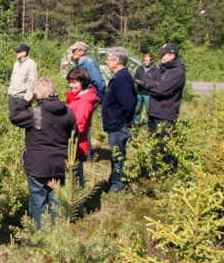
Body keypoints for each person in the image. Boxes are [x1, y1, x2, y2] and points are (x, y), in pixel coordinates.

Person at [11, 78, 79, 227]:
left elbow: (14, 117)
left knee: (38, 203)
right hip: (61, 164)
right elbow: (74, 138)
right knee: (57, 202)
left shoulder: (36, 113)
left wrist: (26, 100)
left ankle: (39, 237)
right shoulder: (68, 111)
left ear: (37, 94)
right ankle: (57, 236)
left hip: (38, 165)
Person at [137, 43, 186, 174]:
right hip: (153, 112)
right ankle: (157, 170)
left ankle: (168, 173)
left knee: (165, 145)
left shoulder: (178, 72)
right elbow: (148, 81)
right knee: (154, 144)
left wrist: (152, 85)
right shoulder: (162, 69)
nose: (161, 57)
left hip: (166, 115)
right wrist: (153, 84)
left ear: (172, 56)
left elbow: (161, 90)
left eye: (163, 54)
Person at [101, 47, 137, 193]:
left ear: (117, 61)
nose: (107, 61)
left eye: (108, 58)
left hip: (118, 125)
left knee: (118, 156)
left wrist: (123, 121)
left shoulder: (122, 79)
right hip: (114, 123)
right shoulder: (119, 77)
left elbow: (129, 104)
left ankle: (118, 185)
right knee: (115, 154)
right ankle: (115, 180)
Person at [65, 67, 99, 187]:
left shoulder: (84, 101)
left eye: (74, 82)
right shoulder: (79, 97)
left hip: (76, 144)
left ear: (83, 82)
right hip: (74, 143)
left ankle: (77, 204)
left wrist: (66, 138)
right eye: (70, 82)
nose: (71, 85)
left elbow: (79, 125)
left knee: (75, 179)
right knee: (74, 175)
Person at [7, 43, 38, 114]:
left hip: (22, 98)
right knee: (13, 120)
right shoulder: (16, 64)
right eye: (16, 51)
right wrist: (10, 93)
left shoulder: (31, 64)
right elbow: (12, 80)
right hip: (12, 97)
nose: (15, 53)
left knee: (23, 121)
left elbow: (33, 83)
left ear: (24, 53)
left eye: (18, 51)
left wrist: (27, 99)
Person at [132, 53, 156, 126]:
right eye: (145, 60)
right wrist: (137, 81)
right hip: (139, 92)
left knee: (149, 110)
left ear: (151, 61)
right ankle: (136, 123)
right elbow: (135, 78)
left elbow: (155, 82)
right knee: (137, 109)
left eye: (147, 61)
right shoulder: (140, 68)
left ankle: (149, 125)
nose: (145, 62)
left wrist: (146, 84)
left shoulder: (155, 70)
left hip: (148, 93)